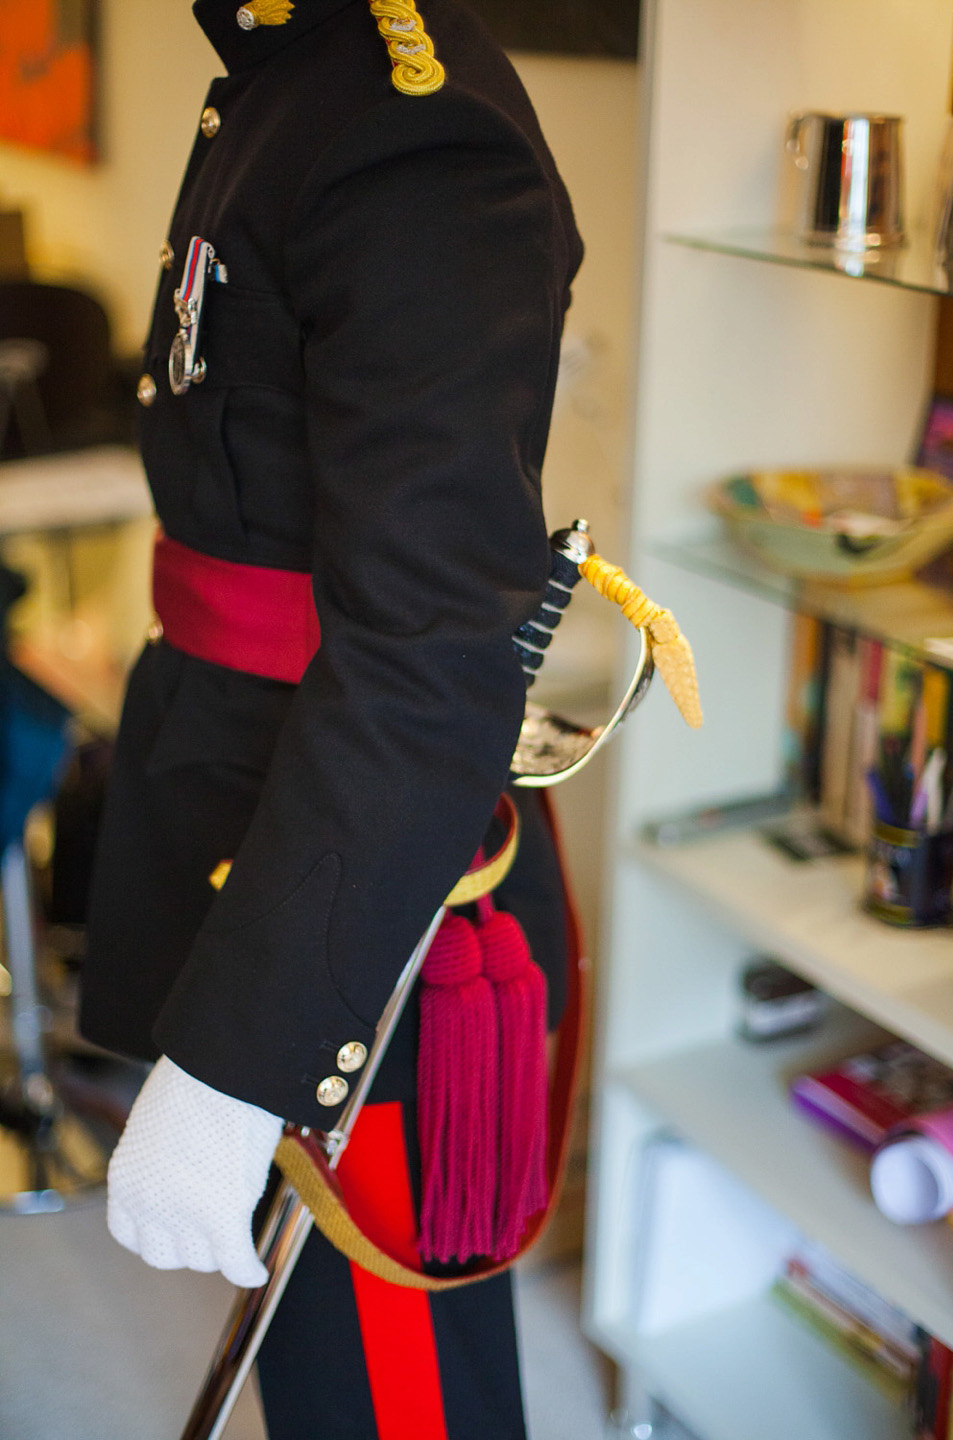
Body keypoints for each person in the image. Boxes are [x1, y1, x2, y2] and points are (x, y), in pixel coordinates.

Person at [78, 1, 584, 1436]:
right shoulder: (291, 73)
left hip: (360, 887)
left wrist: (247, 1059)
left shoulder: (406, 120)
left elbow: (431, 652)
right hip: (254, 792)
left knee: (393, 1405)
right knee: (315, 1380)